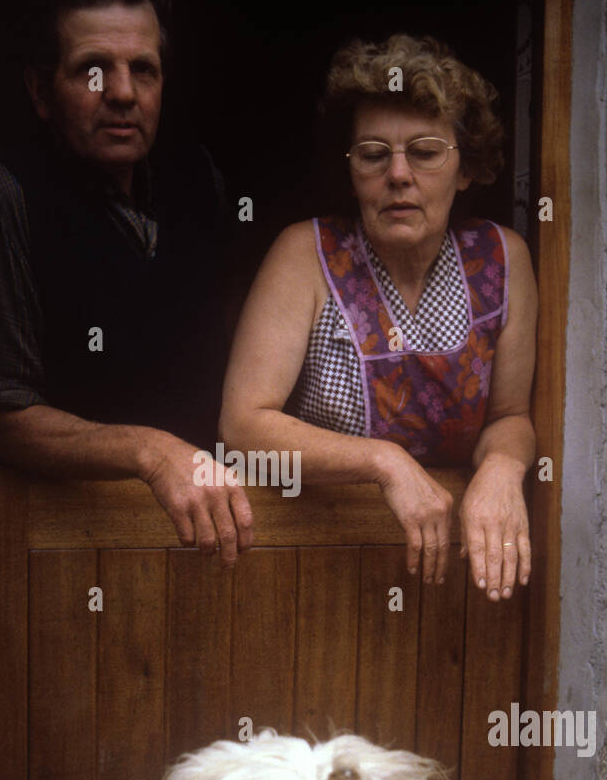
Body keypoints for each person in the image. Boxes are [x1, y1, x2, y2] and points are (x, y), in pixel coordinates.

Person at [0, 0, 252, 567]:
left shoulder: (199, 179)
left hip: (217, 535)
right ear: (40, 90)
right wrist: (151, 451)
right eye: (93, 68)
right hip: (60, 546)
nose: (121, 92)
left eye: (144, 69)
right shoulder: (4, 194)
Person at [220, 34, 537, 600]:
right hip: (311, 564)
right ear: (351, 172)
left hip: (457, 583)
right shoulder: (305, 255)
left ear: (466, 169)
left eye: (424, 151)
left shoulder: (502, 260)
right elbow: (242, 428)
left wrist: (502, 470)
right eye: (373, 154)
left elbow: (510, 415)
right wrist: (384, 463)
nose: (397, 174)